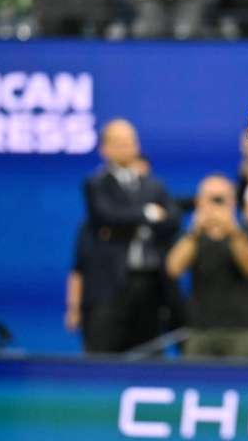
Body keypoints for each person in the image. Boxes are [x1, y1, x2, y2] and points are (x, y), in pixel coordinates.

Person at [81, 119, 182, 353]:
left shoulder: (152, 184)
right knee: (104, 351)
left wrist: (134, 221)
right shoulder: (97, 184)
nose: (127, 147)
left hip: (149, 282)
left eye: (130, 142)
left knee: (149, 350)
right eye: (119, 142)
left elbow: (173, 219)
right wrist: (147, 213)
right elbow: (106, 215)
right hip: (112, 283)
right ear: (104, 148)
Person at [165, 175, 248, 357]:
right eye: (210, 199)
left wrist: (232, 232)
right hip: (200, 327)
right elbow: (173, 269)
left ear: (232, 201)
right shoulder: (192, 235)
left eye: (220, 199)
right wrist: (195, 232)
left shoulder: (245, 230)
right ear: (199, 201)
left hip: (240, 329)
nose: (215, 206)